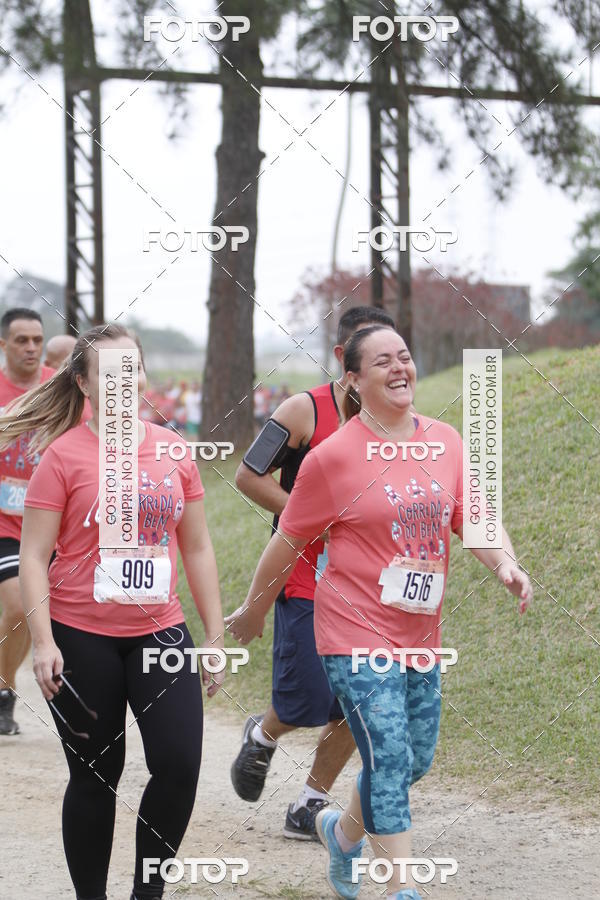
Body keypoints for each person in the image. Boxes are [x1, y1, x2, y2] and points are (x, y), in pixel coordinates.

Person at [227, 325, 532, 899]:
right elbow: (286, 543)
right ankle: (400, 888)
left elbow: (474, 515)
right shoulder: (332, 458)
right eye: (383, 361)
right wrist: (252, 611)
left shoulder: (445, 442)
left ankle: (341, 834)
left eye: (406, 358)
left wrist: (506, 564)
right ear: (354, 379)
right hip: (351, 633)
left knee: (412, 760)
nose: (400, 369)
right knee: (389, 755)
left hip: (418, 634)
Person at [3, 323, 224, 900]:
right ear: (83, 383)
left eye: (134, 369)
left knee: (178, 765)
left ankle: (146, 893)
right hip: (80, 639)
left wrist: (216, 635)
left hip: (161, 633)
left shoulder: (174, 449)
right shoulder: (62, 456)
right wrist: (44, 642)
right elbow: (32, 555)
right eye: (110, 372)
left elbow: (197, 548)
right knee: (97, 775)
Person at [229, 306, 396, 841]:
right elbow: (247, 476)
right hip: (302, 573)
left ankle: (310, 802)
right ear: (343, 360)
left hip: (369, 584)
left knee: (358, 697)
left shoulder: (396, 420)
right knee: (305, 700)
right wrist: (310, 522)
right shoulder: (304, 412)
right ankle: (265, 731)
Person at [0, 307, 55, 735]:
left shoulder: (59, 388)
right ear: (4, 345)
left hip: (49, 522)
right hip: (3, 522)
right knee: (20, 605)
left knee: (32, 613)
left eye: (37, 339)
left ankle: (5, 688)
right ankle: (5, 690)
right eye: (22, 340)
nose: (32, 348)